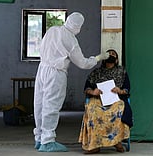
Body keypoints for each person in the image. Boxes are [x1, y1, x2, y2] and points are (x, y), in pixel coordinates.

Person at [33, 12, 109, 152]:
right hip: (56, 73)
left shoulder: (53, 30)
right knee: (51, 105)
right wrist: (97, 58)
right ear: (78, 27)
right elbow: (82, 63)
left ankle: (39, 137)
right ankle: (48, 141)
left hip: (42, 69)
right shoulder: (71, 40)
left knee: (40, 103)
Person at [78, 49, 133, 154]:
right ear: (104, 58)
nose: (111, 56)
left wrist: (120, 90)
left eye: (113, 55)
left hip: (116, 99)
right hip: (98, 99)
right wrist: (93, 92)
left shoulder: (122, 71)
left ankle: (117, 141)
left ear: (116, 60)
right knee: (92, 110)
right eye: (109, 54)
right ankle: (95, 144)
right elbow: (87, 88)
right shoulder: (96, 72)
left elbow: (126, 88)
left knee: (119, 109)